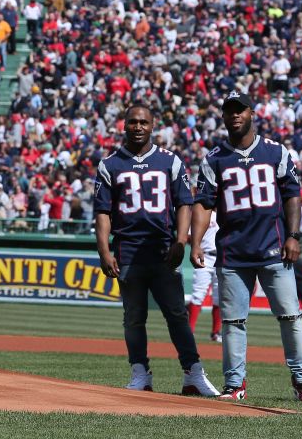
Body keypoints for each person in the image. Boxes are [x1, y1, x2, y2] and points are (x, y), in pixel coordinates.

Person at [191, 92, 302, 403]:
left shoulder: (276, 152)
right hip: (233, 253)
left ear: (251, 113)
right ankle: (235, 383)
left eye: (240, 110)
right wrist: (194, 242)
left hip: (273, 248)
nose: (234, 115)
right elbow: (204, 204)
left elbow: (292, 195)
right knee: (233, 322)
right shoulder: (214, 158)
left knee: (291, 316)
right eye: (229, 111)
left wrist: (293, 235)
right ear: (223, 117)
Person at [93, 104, 218, 397]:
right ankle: (140, 372)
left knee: (176, 314)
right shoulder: (109, 164)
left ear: (153, 126)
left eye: (144, 122)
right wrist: (103, 251)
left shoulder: (170, 161)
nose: (138, 127)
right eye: (133, 122)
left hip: (163, 250)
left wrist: (181, 241)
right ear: (124, 125)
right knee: (134, 316)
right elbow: (102, 212)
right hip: (128, 250)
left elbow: (184, 203)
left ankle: (193, 374)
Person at [187, 209, 223, 343]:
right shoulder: (200, 213)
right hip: (205, 256)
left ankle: (216, 333)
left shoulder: (224, 212)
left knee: (219, 297)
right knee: (198, 294)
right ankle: (189, 331)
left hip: (221, 258)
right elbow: (189, 237)